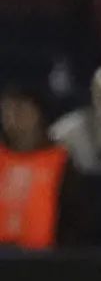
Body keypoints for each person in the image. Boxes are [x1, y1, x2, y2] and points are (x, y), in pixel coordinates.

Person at [0, 84, 80, 249]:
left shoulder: (60, 160)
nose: (13, 117)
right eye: (7, 111)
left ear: (37, 113)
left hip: (43, 259)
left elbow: (73, 215)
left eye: (20, 109)